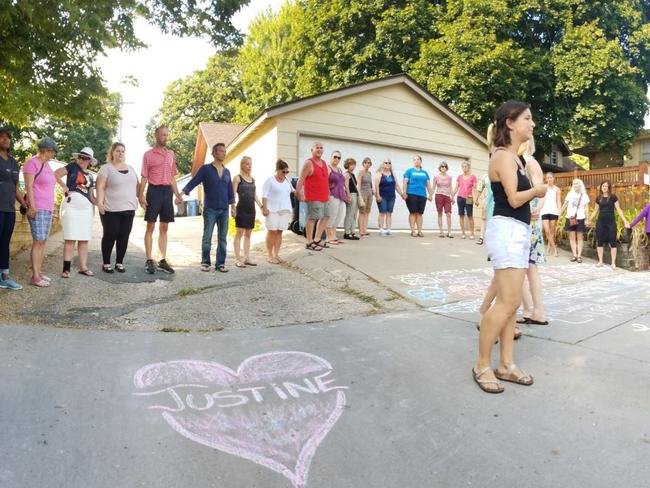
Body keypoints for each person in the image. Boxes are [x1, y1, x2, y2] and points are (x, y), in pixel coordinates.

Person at [473, 100, 546, 394]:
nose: (532, 124)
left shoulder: (516, 159)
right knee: (506, 303)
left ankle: (506, 364)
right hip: (505, 231)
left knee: (512, 302)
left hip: (516, 230)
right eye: (527, 118)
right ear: (510, 123)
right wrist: (538, 190)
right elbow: (514, 199)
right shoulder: (503, 156)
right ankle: (481, 364)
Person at [180, 143, 235, 273]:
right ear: (214, 153)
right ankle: (205, 263)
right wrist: (182, 194)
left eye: (224, 151)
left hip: (224, 209)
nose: (224, 153)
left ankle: (220, 263)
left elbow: (230, 191)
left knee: (223, 238)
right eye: (221, 151)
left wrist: (233, 206)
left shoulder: (227, 172)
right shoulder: (205, 169)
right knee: (207, 237)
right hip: (210, 209)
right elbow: (194, 181)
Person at [139, 126, 183, 275]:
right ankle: (149, 260)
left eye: (167, 135)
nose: (165, 137)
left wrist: (177, 194)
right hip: (154, 191)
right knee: (150, 226)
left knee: (164, 227)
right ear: (156, 135)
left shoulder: (171, 154)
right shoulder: (148, 155)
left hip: (167, 192)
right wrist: (141, 195)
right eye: (163, 135)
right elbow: (144, 176)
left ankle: (162, 260)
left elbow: (172, 176)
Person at [23, 138, 64, 287]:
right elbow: (28, 186)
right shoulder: (32, 163)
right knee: (38, 241)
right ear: (46, 150)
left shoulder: (46, 165)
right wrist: (32, 206)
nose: (54, 154)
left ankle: (39, 272)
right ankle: (35, 276)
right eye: (53, 151)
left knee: (43, 242)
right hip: (37, 207)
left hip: (47, 208)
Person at [517, 137, 548, 326]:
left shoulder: (530, 162)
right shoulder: (522, 162)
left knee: (527, 268)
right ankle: (530, 309)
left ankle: (537, 311)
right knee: (525, 268)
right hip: (527, 220)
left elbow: (540, 190)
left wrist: (534, 209)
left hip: (528, 222)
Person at [96, 142, 139, 273]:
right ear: (112, 153)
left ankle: (119, 262)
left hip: (129, 209)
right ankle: (106, 263)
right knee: (110, 235)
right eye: (118, 151)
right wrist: (100, 203)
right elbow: (100, 187)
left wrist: (141, 198)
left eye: (122, 151)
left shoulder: (131, 168)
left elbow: (137, 186)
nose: (120, 153)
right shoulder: (106, 168)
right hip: (111, 209)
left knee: (124, 236)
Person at [55, 147, 97, 278]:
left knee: (84, 238)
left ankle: (83, 267)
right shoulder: (72, 166)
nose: (82, 160)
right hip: (71, 205)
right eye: (80, 157)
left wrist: (100, 204)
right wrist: (63, 186)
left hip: (86, 209)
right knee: (70, 237)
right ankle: (66, 269)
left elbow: (91, 195)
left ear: (89, 161)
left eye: (85, 158)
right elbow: (56, 173)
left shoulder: (90, 176)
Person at [0, 127, 26, 290]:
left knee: (4, 242)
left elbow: (15, 187)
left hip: (9, 209)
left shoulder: (13, 162)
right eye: (1, 137)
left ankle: (4, 277)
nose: (5, 139)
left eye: (7, 137)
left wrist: (24, 203)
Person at [296, 142, 330, 250]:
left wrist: (328, 192)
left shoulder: (324, 163)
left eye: (321, 148)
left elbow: (325, 180)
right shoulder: (308, 163)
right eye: (317, 148)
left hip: (324, 196)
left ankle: (317, 239)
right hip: (313, 197)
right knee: (312, 218)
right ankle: (309, 242)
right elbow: (301, 179)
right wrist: (298, 193)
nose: (319, 149)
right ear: (312, 150)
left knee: (326, 216)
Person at [590, 180, 628, 269]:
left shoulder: (613, 197)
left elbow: (618, 209)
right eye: (603, 186)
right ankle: (600, 261)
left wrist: (625, 220)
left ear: (609, 187)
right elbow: (595, 211)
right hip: (600, 223)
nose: (604, 187)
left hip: (611, 223)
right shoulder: (598, 198)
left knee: (613, 243)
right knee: (599, 242)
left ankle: (613, 263)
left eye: (606, 186)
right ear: (601, 187)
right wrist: (589, 220)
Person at [232, 156, 263, 267]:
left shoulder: (253, 179)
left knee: (248, 235)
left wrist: (261, 206)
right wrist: (233, 208)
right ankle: (237, 259)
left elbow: (254, 195)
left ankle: (246, 257)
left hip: (251, 210)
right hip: (241, 209)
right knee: (239, 233)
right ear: (242, 165)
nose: (249, 166)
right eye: (247, 164)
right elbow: (232, 195)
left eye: (250, 164)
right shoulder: (237, 178)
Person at [262, 160, 294, 263]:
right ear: (277, 170)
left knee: (280, 232)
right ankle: (270, 255)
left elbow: (293, 191)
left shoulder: (287, 180)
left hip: (285, 209)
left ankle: (276, 254)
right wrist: (265, 208)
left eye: (287, 172)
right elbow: (264, 196)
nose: (285, 174)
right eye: (283, 172)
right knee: (272, 231)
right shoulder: (270, 181)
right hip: (272, 210)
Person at [560, 178, 590, 263]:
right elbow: (565, 205)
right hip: (570, 217)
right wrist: (560, 214)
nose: (575, 185)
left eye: (577, 183)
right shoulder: (570, 194)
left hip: (580, 218)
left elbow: (586, 208)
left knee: (580, 237)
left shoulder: (584, 195)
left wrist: (587, 219)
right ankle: (574, 255)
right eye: (574, 184)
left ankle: (579, 256)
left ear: (580, 185)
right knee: (572, 237)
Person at [403, 154, 432, 237]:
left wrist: (430, 194)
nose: (416, 161)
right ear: (413, 161)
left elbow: (428, 184)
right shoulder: (409, 171)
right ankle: (413, 231)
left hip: (422, 195)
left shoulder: (424, 172)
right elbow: (405, 182)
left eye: (418, 159)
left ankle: (419, 231)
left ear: (420, 161)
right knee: (412, 212)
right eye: (414, 159)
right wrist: (404, 192)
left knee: (419, 213)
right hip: (411, 194)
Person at [325, 150, 349, 245]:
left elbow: (342, 183)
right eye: (335, 157)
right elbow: (325, 182)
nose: (336, 159)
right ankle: (328, 237)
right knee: (332, 215)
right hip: (332, 195)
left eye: (339, 157)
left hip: (340, 195)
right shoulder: (327, 168)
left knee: (338, 216)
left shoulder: (339, 169)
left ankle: (334, 236)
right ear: (331, 157)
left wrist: (346, 194)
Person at [374, 158, 404, 236]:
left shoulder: (392, 174)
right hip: (382, 196)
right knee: (382, 213)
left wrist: (402, 194)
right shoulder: (379, 173)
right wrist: (378, 196)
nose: (388, 164)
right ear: (383, 164)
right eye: (386, 163)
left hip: (391, 196)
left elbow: (396, 186)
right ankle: (381, 230)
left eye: (389, 163)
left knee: (389, 213)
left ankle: (388, 229)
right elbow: (376, 186)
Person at [453, 161, 478, 239]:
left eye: (466, 166)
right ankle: (463, 233)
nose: (464, 168)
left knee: (470, 216)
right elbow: (456, 187)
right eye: (463, 166)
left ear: (469, 167)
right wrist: (452, 196)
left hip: (469, 198)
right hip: (460, 198)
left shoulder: (473, 177)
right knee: (461, 215)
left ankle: (472, 233)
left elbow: (474, 189)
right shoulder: (459, 177)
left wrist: (476, 199)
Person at [540, 172, 561, 257]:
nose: (549, 179)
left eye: (550, 177)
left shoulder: (557, 189)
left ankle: (548, 248)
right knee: (547, 231)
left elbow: (558, 201)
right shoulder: (544, 188)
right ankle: (555, 249)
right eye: (547, 178)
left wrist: (559, 212)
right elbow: (541, 199)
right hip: (544, 211)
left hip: (553, 211)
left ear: (553, 178)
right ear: (546, 179)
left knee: (551, 232)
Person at [626, 197, 650, 269]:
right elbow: (640, 216)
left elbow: (640, 216)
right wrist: (631, 225)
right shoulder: (648, 207)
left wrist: (631, 225)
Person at [432, 161, 454, 238]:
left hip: (447, 196)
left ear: (447, 168)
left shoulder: (449, 177)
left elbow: (450, 187)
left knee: (448, 214)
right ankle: (441, 231)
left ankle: (449, 232)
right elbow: (433, 187)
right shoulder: (436, 176)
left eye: (445, 166)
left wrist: (453, 197)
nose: (443, 168)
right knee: (440, 213)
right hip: (439, 195)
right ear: (440, 168)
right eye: (442, 166)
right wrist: (430, 195)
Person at [342, 158, 360, 240]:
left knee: (354, 215)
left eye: (354, 164)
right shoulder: (346, 174)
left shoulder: (352, 174)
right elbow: (346, 186)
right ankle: (347, 232)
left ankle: (352, 232)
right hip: (351, 195)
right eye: (351, 164)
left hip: (355, 195)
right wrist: (348, 196)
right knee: (349, 214)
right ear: (347, 165)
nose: (353, 166)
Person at [356, 157, 374, 237]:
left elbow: (370, 185)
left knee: (367, 212)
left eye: (369, 163)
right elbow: (358, 185)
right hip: (363, 194)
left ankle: (364, 229)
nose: (367, 164)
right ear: (363, 164)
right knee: (362, 212)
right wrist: (359, 195)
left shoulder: (370, 173)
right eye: (366, 163)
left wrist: (373, 192)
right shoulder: (360, 172)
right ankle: (361, 231)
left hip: (370, 195)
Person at [474, 173, 491, 245]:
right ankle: (481, 238)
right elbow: (480, 188)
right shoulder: (485, 176)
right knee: (484, 219)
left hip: (497, 202)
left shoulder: (501, 174)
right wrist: (476, 199)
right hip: (486, 201)